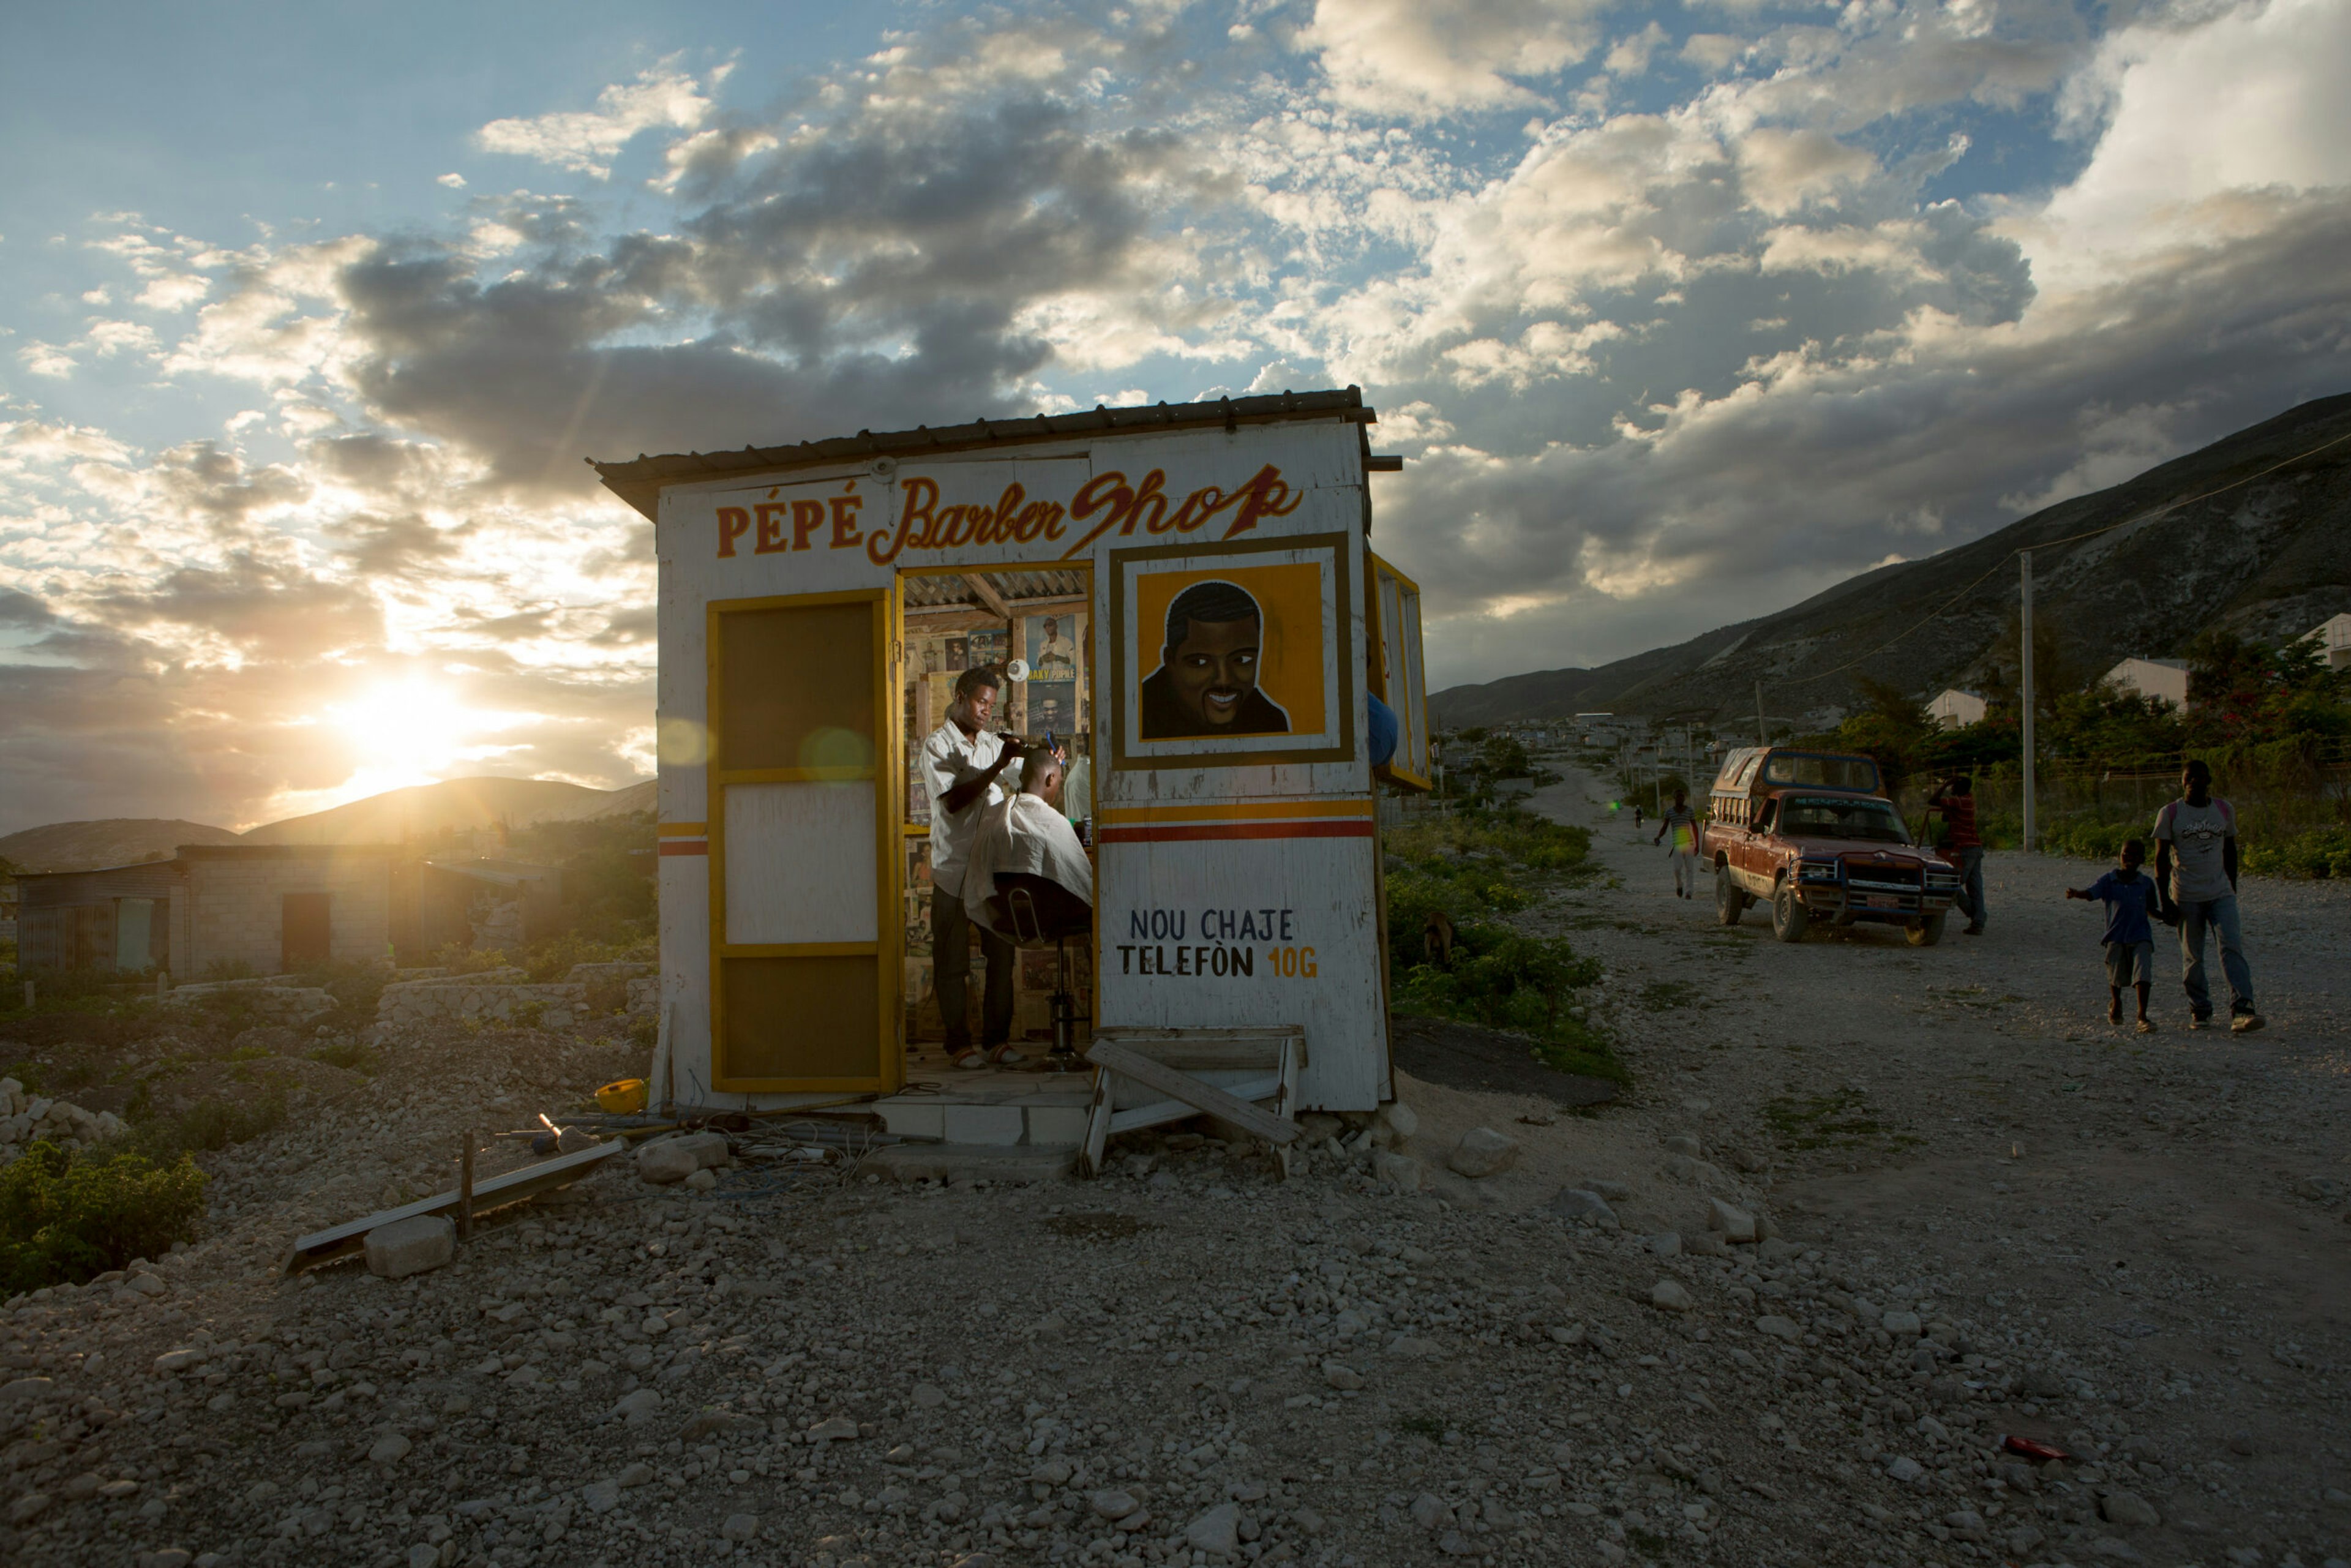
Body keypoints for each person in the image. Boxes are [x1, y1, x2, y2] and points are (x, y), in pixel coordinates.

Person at [920, 666, 1026, 1068]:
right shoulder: (936, 746)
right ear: (961, 696)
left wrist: (1046, 760)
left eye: (992, 705)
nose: (986, 710)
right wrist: (999, 766)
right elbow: (952, 801)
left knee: (1002, 957)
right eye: (981, 702)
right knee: (951, 964)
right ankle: (958, 1044)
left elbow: (1026, 774)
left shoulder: (992, 743)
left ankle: (996, 1041)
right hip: (952, 872)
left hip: (991, 870)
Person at [2153, 759, 2262, 1032]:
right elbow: (2161, 859)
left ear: (2209, 780)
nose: (2194, 782)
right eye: (2189, 778)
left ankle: (2242, 1009)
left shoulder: (2224, 810)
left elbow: (2230, 850)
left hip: (2220, 892)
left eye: (2200, 777)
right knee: (2193, 956)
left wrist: (2232, 886)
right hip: (2187, 895)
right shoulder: (2170, 813)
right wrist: (2165, 901)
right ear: (2182, 782)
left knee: (2231, 946)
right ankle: (2200, 1009)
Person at [962, 745, 1095, 932]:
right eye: (1059, 782)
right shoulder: (1054, 823)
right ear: (1051, 779)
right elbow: (1082, 881)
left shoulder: (994, 817)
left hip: (1006, 919)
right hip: (1049, 921)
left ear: (1021, 778)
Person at [1139, 580, 1291, 738]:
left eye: (1241, 660)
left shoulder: (1269, 722)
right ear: (1170, 661)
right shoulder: (1137, 718)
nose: (1224, 681)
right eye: (1200, 663)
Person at [2065, 839, 2159, 1032]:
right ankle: (2116, 1003)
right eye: (2125, 854)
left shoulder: (2147, 884)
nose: (2129, 859)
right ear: (2119, 856)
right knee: (2116, 977)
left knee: (2143, 973)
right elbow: (2092, 894)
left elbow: (2151, 909)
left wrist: (2169, 917)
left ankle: (2142, 1016)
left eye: (2134, 855)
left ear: (2142, 859)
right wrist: (2076, 894)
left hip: (2141, 935)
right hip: (2115, 937)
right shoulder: (2109, 881)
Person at [1925, 775, 1985, 936]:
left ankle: (1975, 914)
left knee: (1952, 883)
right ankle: (1978, 921)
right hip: (1974, 847)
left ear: (1961, 788)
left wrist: (1945, 785)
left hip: (1965, 848)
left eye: (1954, 786)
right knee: (1975, 887)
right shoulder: (1967, 801)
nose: (1952, 789)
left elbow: (1932, 800)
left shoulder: (1961, 801)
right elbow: (1947, 818)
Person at [1652, 789, 1700, 899]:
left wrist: (1697, 844)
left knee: (1690, 869)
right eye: (1678, 797)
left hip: (1689, 843)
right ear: (1675, 798)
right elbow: (1664, 827)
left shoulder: (1689, 811)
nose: (1681, 799)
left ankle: (1689, 892)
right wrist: (1658, 837)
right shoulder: (1669, 812)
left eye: (1682, 797)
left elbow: (1695, 827)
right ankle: (1679, 885)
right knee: (1677, 869)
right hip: (1677, 844)